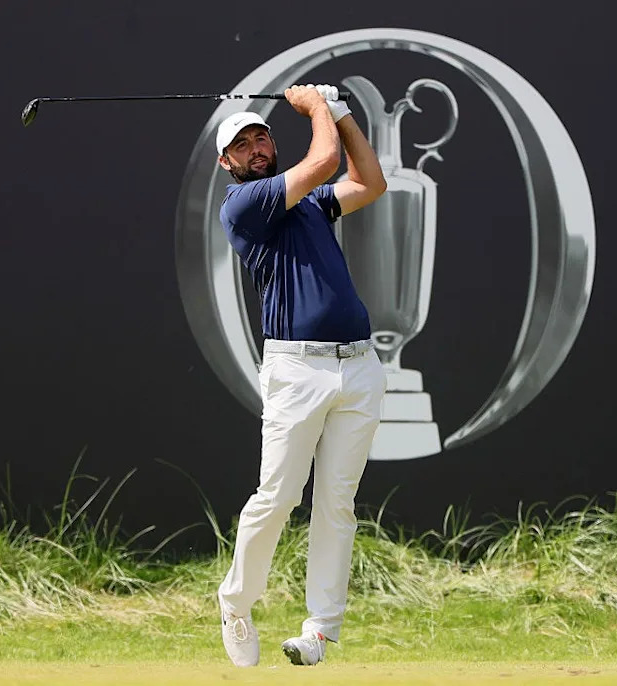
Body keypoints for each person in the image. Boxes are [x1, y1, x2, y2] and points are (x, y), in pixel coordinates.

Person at [214, 84, 388, 667]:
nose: (256, 146)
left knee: (337, 502)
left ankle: (319, 630)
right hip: (297, 370)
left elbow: (369, 182)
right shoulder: (244, 205)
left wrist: (340, 114)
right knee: (280, 495)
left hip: (359, 366)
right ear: (227, 163)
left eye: (260, 134)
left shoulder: (310, 202)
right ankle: (236, 601)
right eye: (242, 144)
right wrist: (316, 108)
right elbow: (325, 161)